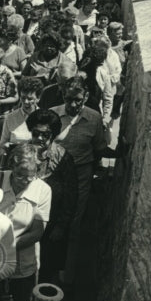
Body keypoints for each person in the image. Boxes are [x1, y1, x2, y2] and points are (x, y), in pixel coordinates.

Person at [50, 78, 111, 284]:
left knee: (74, 223)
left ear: (85, 97)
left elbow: (99, 148)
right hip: (54, 174)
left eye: (77, 100)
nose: (73, 105)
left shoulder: (93, 119)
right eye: (68, 99)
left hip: (80, 174)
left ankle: (67, 276)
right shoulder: (53, 114)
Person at [0, 144, 52, 301]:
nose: (26, 181)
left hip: (23, 265)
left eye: (32, 175)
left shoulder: (43, 190)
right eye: (20, 175)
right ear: (12, 166)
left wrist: (6, 248)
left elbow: (37, 232)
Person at [26, 108, 78, 285]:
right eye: (36, 133)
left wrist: (61, 227)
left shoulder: (63, 158)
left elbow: (71, 196)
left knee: (47, 273)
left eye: (45, 134)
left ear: (53, 135)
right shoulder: (21, 154)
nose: (40, 138)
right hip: (25, 224)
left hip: (52, 227)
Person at [0, 75, 45, 166]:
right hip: (15, 165)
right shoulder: (10, 118)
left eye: (30, 99)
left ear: (38, 98)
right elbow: (2, 145)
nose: (26, 102)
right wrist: (5, 147)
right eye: (23, 98)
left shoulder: (45, 118)